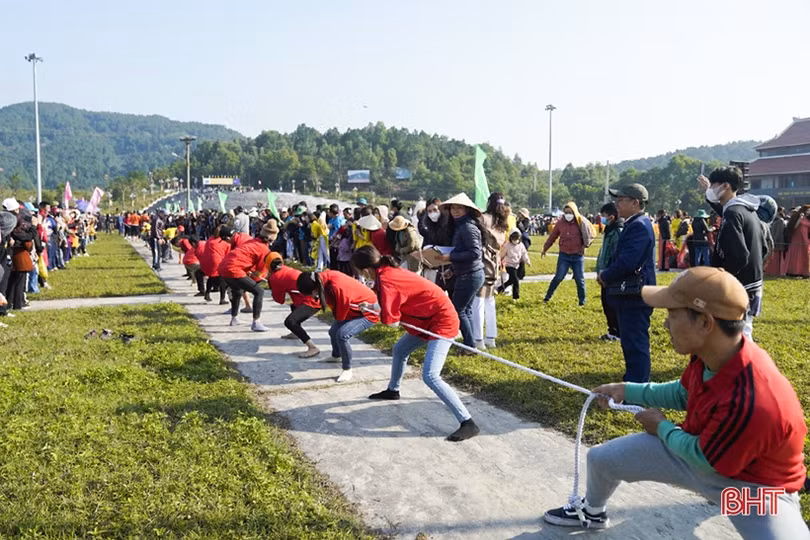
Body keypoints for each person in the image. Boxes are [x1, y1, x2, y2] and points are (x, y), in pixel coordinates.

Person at [543, 267, 809, 539]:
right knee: (602, 459)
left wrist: (661, 428)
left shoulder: (754, 397)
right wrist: (627, 389)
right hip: (695, 454)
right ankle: (592, 512)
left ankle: (732, 507)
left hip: (750, 488)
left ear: (705, 323)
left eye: (672, 313)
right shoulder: (711, 354)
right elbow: (684, 393)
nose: (665, 323)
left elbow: (706, 459)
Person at [352, 245, 480, 442]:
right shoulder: (386, 273)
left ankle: (468, 422)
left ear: (366, 270)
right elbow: (393, 302)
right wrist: (370, 306)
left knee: (430, 376)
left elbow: (392, 321)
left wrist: (379, 313)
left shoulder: (386, 279)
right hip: (425, 319)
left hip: (441, 321)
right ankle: (393, 390)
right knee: (400, 349)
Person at [698, 167, 766, 338]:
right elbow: (764, 247)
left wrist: (723, 280)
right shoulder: (747, 209)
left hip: (739, 285)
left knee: (736, 333)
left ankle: (742, 364)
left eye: (714, 185)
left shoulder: (733, 213)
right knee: (743, 329)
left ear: (725, 186)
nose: (711, 189)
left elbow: (739, 256)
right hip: (752, 282)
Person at [597, 184, 656, 383]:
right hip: (630, 294)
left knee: (635, 343)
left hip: (635, 296)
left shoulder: (639, 226)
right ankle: (633, 381)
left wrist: (606, 275)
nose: (617, 205)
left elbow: (628, 262)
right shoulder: (635, 223)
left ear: (635, 203)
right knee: (630, 342)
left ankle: (637, 388)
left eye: (621, 200)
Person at [296, 268, 379, 383]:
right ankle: (336, 356)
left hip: (368, 311)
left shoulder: (337, 287)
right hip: (354, 310)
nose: (311, 297)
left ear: (314, 289)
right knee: (333, 331)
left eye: (310, 294)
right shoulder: (322, 279)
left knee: (342, 334)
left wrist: (339, 320)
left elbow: (341, 314)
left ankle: (347, 368)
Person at [433, 193, 485, 349]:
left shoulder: (468, 227)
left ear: (467, 210)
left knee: (458, 310)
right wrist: (452, 269)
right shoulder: (460, 226)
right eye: (453, 208)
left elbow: (475, 253)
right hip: (466, 272)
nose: (455, 211)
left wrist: (450, 257)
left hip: (471, 274)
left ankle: (469, 346)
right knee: (465, 310)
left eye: (459, 208)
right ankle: (469, 345)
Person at [219, 220, 279, 331]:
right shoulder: (264, 249)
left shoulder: (251, 241)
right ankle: (256, 322)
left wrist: (249, 273)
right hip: (234, 269)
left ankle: (234, 318)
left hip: (223, 268)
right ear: (270, 239)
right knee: (259, 292)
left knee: (237, 291)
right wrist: (258, 280)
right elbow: (261, 272)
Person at [265, 252, 322, 358]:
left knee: (290, 322)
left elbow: (279, 300)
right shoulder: (287, 269)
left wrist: (271, 283)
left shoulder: (275, 277)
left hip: (312, 301)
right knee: (293, 306)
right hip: (316, 296)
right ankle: (296, 333)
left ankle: (312, 347)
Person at [473, 192, 508, 348]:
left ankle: (478, 338)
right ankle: (491, 338)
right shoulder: (503, 222)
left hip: (482, 261)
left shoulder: (483, 218)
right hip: (494, 262)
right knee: (490, 301)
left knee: (478, 302)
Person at [542, 202, 587, 306]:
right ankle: (547, 297)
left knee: (580, 280)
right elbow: (552, 236)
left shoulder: (581, 222)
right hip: (564, 255)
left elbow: (588, 234)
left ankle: (582, 302)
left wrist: (584, 246)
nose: (568, 215)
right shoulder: (560, 223)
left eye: (570, 212)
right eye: (566, 212)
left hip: (577, 255)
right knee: (558, 277)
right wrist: (545, 248)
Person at [595, 202, 624, 342]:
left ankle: (617, 332)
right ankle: (612, 330)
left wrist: (608, 273)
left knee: (611, 304)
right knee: (606, 303)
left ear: (612, 216)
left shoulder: (618, 231)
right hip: (604, 272)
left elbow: (616, 255)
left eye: (604, 216)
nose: (602, 218)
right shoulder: (609, 230)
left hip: (611, 274)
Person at [200, 225, 232, 304]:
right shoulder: (224, 242)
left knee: (211, 277)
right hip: (218, 261)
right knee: (223, 281)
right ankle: (222, 299)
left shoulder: (210, 239)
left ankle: (207, 294)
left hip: (208, 261)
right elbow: (228, 254)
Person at [497, 230, 530, 300]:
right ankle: (516, 297)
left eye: (517, 239)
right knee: (516, 280)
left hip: (517, 264)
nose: (515, 241)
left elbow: (524, 253)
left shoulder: (521, 245)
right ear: (511, 238)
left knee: (512, 280)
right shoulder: (507, 245)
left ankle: (500, 288)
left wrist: (527, 261)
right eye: (514, 239)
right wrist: (498, 263)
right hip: (509, 265)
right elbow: (502, 255)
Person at [784, 205, 810, 278]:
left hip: (805, 239)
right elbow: (794, 227)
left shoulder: (808, 219)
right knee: (796, 255)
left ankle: (804, 272)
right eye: (808, 210)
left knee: (805, 255)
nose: (809, 212)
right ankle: (794, 271)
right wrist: (800, 218)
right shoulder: (797, 217)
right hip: (797, 238)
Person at [765, 207, 788, 277]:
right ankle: (771, 271)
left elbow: (779, 233)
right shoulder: (775, 220)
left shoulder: (780, 221)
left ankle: (776, 272)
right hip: (774, 242)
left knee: (776, 258)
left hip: (777, 243)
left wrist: (774, 241)